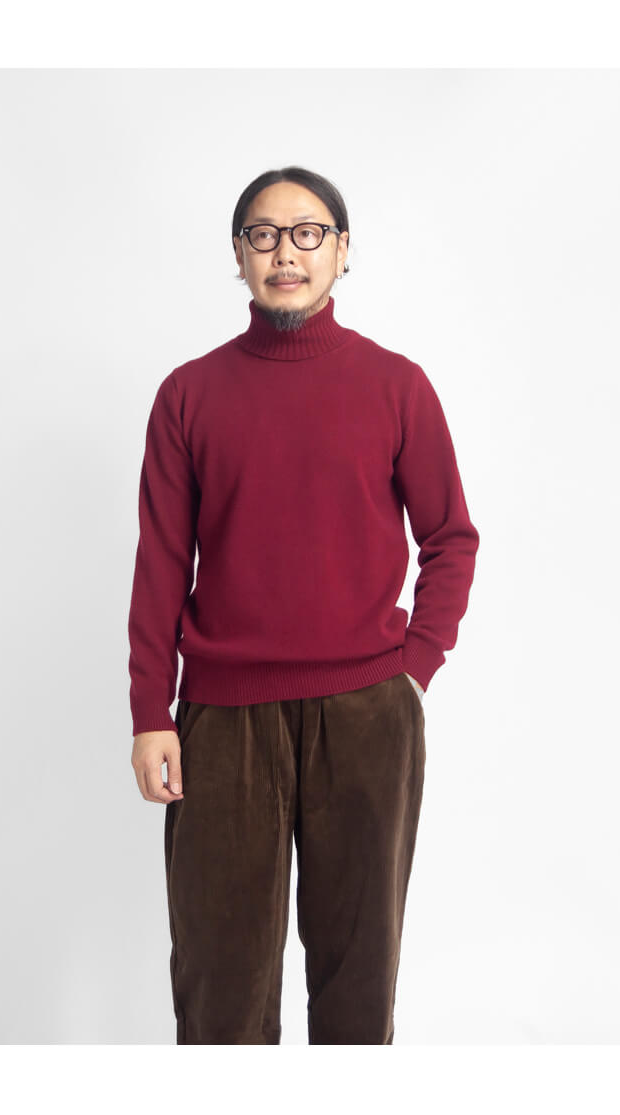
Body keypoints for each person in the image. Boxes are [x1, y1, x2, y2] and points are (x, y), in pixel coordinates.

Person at [127, 166, 479, 1044]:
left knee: (358, 985)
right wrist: (151, 712)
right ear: (239, 253)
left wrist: (412, 669)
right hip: (222, 722)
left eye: (308, 232)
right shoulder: (188, 395)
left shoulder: (397, 385)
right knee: (220, 988)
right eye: (265, 234)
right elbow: (161, 564)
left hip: (367, 715)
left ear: (342, 250)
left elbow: (450, 537)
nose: (286, 252)